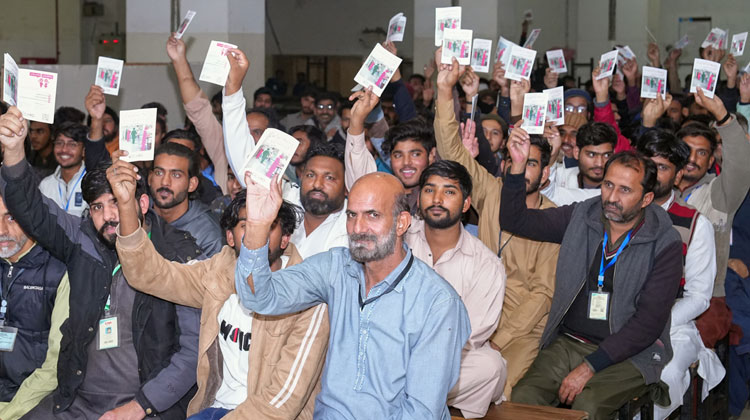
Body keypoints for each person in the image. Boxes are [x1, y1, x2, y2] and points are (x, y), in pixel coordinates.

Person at [0, 106, 200, 419]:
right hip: (75, 401)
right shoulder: (85, 242)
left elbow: (193, 352)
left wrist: (139, 406)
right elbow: (33, 209)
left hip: (144, 406)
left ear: (142, 203)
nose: (108, 216)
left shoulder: (178, 256)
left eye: (117, 202)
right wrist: (13, 151)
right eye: (97, 207)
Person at [108, 153, 330, 420]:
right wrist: (126, 204)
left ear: (285, 239)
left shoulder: (307, 295)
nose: (256, 233)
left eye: (268, 225)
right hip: (210, 408)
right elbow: (149, 275)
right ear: (229, 237)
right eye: (246, 225)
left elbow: (281, 405)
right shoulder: (219, 272)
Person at [234, 170, 470, 419]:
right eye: (351, 215)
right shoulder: (336, 268)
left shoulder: (438, 303)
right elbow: (259, 297)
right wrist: (258, 226)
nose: (358, 228)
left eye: (372, 215)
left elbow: (421, 413)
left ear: (401, 223)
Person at [502, 132, 683, 419]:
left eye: (625, 190)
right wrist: (516, 167)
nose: (612, 197)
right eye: (608, 185)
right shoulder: (582, 216)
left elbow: (648, 324)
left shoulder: (665, 243)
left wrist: (590, 366)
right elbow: (515, 221)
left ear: (646, 198)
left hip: (632, 353)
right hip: (569, 342)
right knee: (524, 398)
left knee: (588, 406)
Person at [635, 129, 725, 419]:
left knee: (667, 372)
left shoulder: (695, 223)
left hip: (673, 323)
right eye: (647, 164)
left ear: (677, 176)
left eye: (662, 168)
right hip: (616, 319)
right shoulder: (618, 212)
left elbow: (699, 296)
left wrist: (652, 323)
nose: (652, 174)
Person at [407, 160, 506, 418]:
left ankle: (399, 395)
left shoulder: (486, 264)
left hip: (445, 359)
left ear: (465, 204)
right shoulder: (399, 239)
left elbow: (469, 336)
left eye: (449, 191)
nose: (437, 199)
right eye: (430, 190)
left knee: (490, 366)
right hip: (394, 348)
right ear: (418, 198)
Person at [674, 88, 750, 299]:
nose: (692, 159)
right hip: (659, 294)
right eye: (686, 150)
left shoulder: (718, 194)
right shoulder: (658, 190)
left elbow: (741, 167)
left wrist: (723, 118)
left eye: (701, 153)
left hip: (706, 298)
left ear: (710, 161)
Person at [0, 195, 69, 420]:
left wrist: (9, 413)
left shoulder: (59, 271)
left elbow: (55, 365)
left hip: (31, 405)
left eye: (11, 217)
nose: (1, 230)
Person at [149, 142, 224, 257]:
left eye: (176, 175)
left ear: (191, 184)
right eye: (159, 173)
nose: (165, 182)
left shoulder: (208, 235)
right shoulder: (137, 215)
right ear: (150, 178)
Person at [38, 122, 88, 217]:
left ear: (83, 151)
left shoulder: (92, 182)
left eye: (72, 144)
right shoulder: (46, 185)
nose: (64, 149)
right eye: (59, 143)